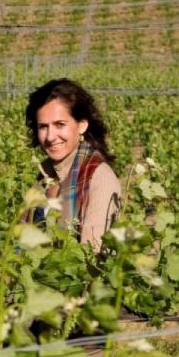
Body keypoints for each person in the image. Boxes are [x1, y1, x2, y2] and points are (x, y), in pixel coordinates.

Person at [24, 78, 122, 253]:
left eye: (60, 125)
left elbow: (92, 256)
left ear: (82, 125)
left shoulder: (100, 179)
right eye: (43, 127)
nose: (50, 136)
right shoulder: (45, 174)